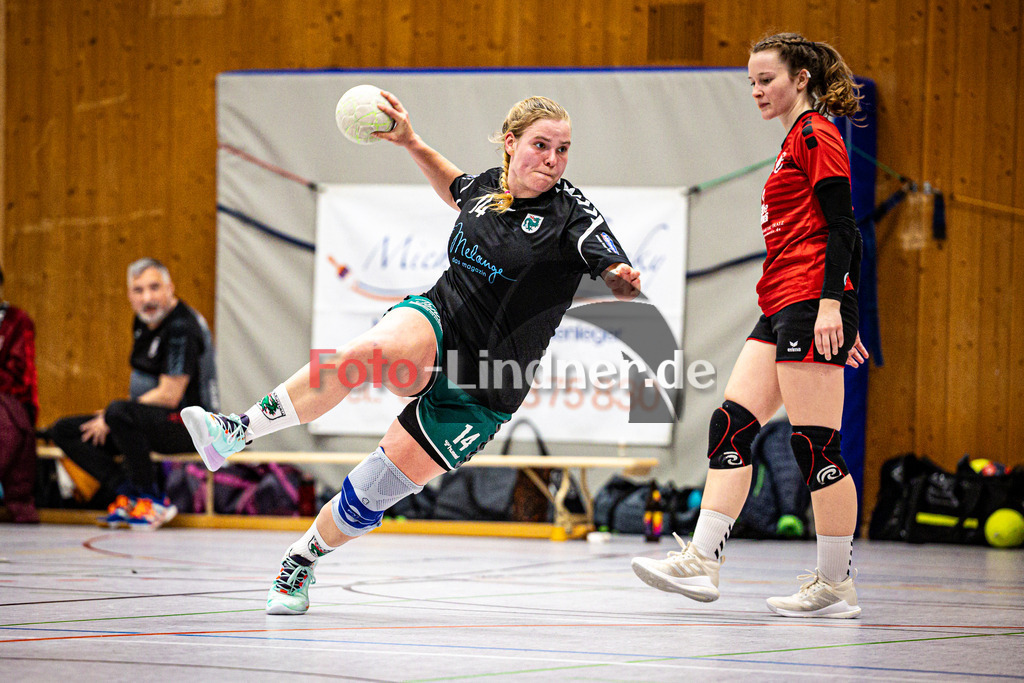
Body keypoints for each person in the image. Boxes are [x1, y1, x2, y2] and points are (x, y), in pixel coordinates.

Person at [182, 92, 642, 615]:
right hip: (440, 319)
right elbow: (455, 186)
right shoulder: (489, 186)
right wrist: (410, 142)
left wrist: (619, 280)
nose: (553, 160)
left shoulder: (571, 217)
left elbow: (616, 274)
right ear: (511, 144)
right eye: (541, 145)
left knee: (373, 491)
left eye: (563, 149)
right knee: (365, 353)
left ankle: (300, 560)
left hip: (487, 381)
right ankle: (235, 431)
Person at [632, 33, 869, 618]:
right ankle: (704, 561)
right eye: (752, 83)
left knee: (815, 447)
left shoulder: (816, 134)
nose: (758, 91)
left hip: (808, 301)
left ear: (801, 79)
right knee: (731, 425)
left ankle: (835, 584)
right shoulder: (794, 138)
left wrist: (835, 306)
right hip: (783, 303)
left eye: (767, 79)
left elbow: (845, 227)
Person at [47, 258, 217, 529]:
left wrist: (113, 415)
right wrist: (114, 416)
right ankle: (128, 493)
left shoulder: (181, 328)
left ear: (170, 288)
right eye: (138, 290)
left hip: (191, 426)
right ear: (129, 295)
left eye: (154, 288)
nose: (147, 298)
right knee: (64, 431)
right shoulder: (143, 323)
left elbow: (170, 396)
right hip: (153, 422)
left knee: (117, 412)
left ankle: (152, 500)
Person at [0, 264, 41, 523]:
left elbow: (20, 373)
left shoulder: (16, 320)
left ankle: (18, 501)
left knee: (7, 426)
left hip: (12, 399)